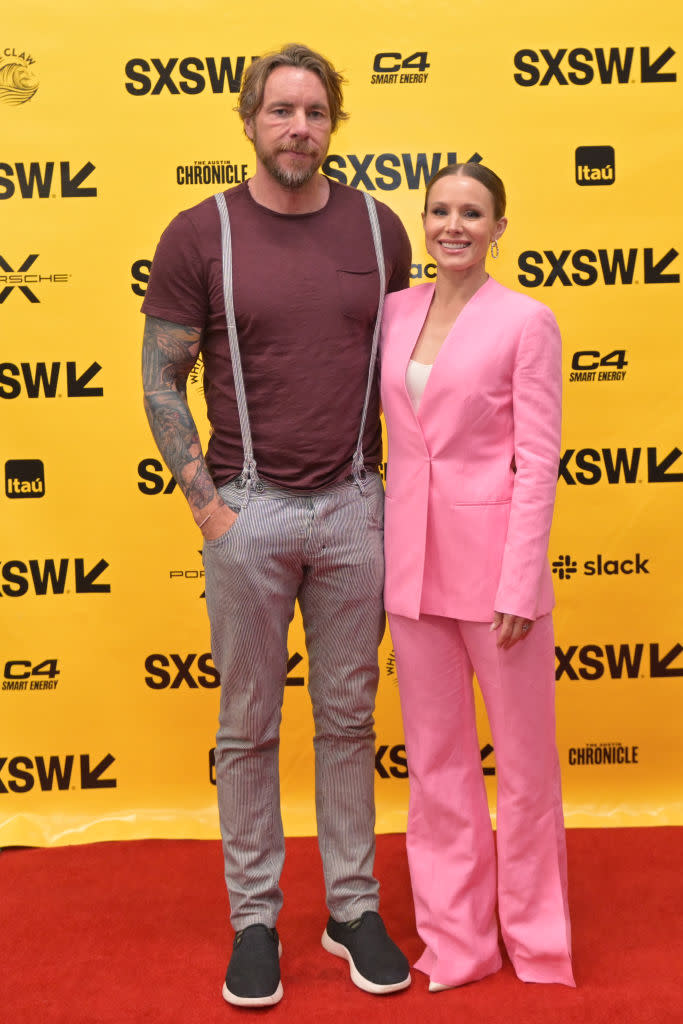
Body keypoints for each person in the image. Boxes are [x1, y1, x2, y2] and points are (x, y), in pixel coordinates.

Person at [140, 43, 412, 1007]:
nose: (299, 128)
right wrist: (211, 513)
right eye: (280, 111)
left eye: (315, 112)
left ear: (335, 123)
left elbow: (406, 370)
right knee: (247, 728)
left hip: (352, 509)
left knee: (348, 721)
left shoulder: (381, 231)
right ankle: (254, 919)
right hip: (245, 512)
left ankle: (350, 908)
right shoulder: (196, 233)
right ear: (248, 120)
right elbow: (159, 377)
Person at [380, 162, 575, 991]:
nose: (452, 225)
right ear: (422, 223)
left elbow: (537, 463)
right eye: (438, 210)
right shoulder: (393, 312)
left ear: (499, 227)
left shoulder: (527, 321)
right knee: (436, 768)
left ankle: (536, 941)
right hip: (411, 570)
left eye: (471, 212)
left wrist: (518, 584)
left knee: (524, 768)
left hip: (497, 577)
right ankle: (456, 944)